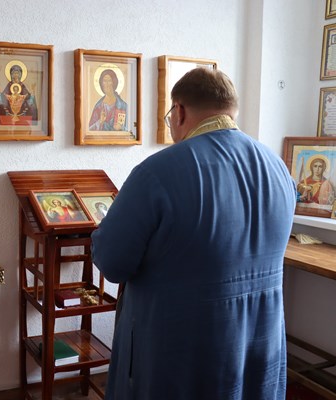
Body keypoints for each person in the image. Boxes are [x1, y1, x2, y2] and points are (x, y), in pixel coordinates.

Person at [91, 68, 296, 399]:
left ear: (179, 111)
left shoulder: (157, 172)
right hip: (258, 341)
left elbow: (112, 261)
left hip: (181, 349)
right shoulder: (278, 168)